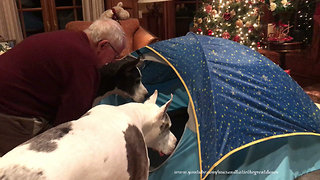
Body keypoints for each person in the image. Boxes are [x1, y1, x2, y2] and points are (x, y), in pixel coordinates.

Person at [0, 18, 126, 156]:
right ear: (103, 45)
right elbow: (69, 123)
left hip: (10, 95)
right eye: (115, 55)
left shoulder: (70, 37)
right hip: (10, 111)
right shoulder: (84, 62)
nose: (113, 61)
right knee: (31, 163)